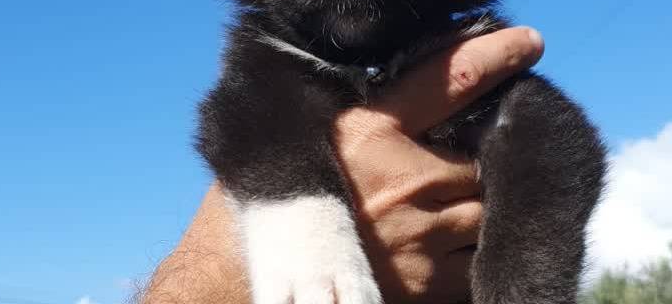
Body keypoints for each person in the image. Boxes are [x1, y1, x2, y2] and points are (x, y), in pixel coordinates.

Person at [142, 27, 545, 304]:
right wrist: (229, 278)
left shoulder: (473, 52)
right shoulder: (267, 74)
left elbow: (557, 148)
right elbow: (244, 117)